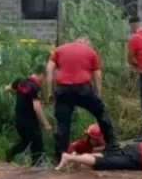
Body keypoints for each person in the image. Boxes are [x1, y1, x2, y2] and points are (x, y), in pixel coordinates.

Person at [46, 34, 117, 162]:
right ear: (86, 41)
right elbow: (97, 76)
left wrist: (50, 91)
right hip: (82, 89)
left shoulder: (59, 50)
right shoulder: (91, 52)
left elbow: (49, 70)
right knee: (101, 113)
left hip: (62, 89)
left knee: (62, 124)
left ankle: (60, 156)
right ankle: (112, 146)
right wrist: (98, 96)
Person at [4, 64, 52, 166]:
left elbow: (7, 88)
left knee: (26, 142)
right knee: (37, 142)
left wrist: (20, 92)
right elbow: (37, 107)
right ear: (43, 74)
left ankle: (10, 153)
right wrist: (46, 124)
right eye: (46, 76)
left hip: (19, 119)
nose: (45, 81)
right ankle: (37, 165)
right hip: (30, 120)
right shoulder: (36, 87)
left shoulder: (21, 80)